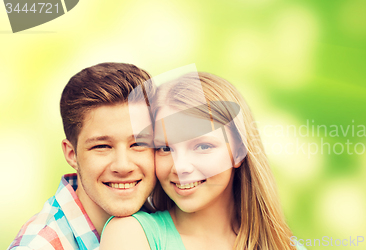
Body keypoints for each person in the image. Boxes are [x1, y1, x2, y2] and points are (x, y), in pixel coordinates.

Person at [100, 72, 305, 250]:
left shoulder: (287, 246)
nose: (181, 167)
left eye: (203, 147)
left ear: (239, 152)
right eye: (165, 148)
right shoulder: (131, 234)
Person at [8, 63, 157, 250]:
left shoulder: (167, 214)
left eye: (139, 144)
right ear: (71, 155)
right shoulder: (40, 245)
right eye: (102, 146)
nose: (123, 165)